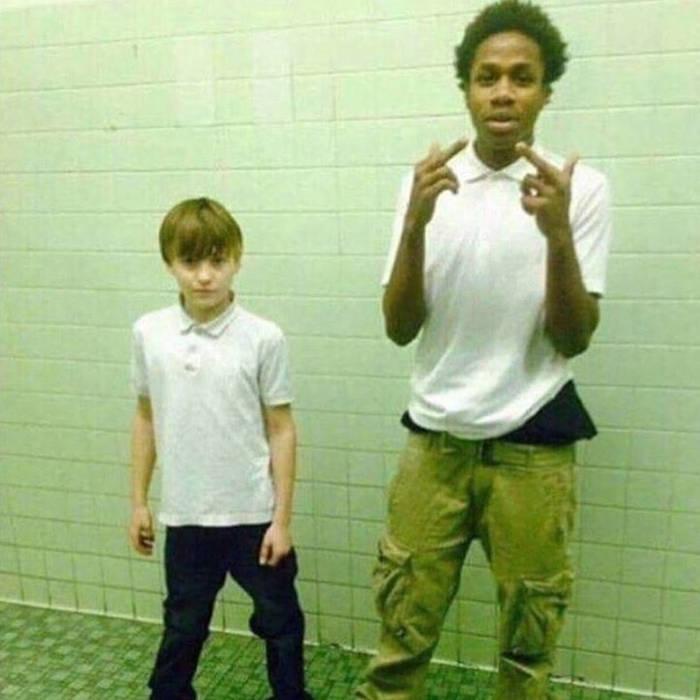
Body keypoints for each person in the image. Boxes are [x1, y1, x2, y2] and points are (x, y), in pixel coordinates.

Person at [357, 1, 611, 698]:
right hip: (433, 446)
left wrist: (558, 233)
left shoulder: (579, 189)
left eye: (522, 77)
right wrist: (415, 223)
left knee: (527, 654)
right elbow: (399, 327)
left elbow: (574, 337)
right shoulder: (427, 184)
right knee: (399, 641)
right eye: (487, 76)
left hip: (532, 451)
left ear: (545, 92)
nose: (503, 92)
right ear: (466, 89)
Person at [128, 197, 313, 700]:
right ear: (169, 263)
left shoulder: (263, 337)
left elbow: (282, 429)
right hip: (186, 515)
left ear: (237, 259)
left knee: (281, 619)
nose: (205, 276)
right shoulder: (149, 333)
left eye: (217, 260)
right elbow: (145, 417)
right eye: (190, 262)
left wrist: (281, 520)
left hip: (254, 514)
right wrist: (139, 502)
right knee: (183, 623)